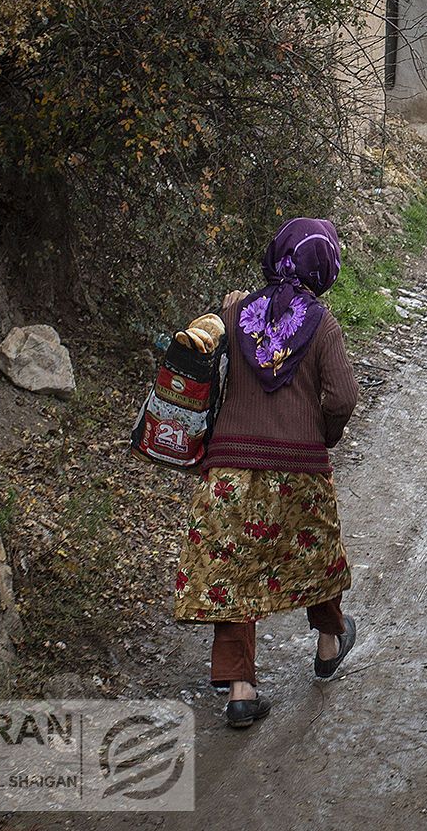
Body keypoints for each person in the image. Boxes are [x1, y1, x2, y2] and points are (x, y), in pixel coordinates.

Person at [174, 217, 360, 729]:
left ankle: (241, 690)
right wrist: (323, 433)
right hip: (298, 468)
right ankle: (327, 645)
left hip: (230, 469)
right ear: (324, 268)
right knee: (316, 553)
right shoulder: (322, 324)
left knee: (233, 571)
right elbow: (343, 396)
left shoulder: (234, 313)